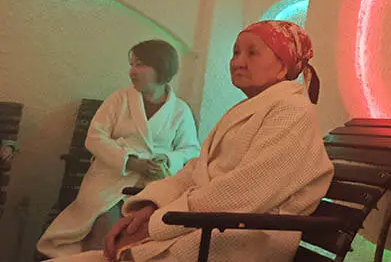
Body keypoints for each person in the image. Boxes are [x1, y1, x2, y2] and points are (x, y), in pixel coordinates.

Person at [45, 20, 334, 262]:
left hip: (235, 238)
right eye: (235, 52)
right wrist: (150, 207)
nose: (237, 61)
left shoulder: (293, 112)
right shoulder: (248, 109)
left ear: (283, 66)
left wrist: (155, 225)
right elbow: (196, 169)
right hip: (198, 225)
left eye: (252, 53)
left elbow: (245, 191)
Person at [38, 40, 201, 258]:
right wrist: (130, 161)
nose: (132, 71)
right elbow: (94, 138)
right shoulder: (118, 100)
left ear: (161, 67)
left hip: (154, 185)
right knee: (105, 228)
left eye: (140, 64)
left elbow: (191, 150)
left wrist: (166, 159)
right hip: (110, 178)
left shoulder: (180, 110)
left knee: (148, 235)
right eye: (131, 65)